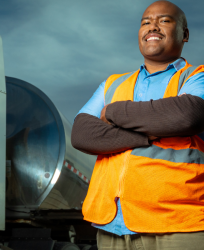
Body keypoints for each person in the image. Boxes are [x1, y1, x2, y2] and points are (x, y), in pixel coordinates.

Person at [71, 1, 204, 249]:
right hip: (112, 225)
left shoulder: (196, 76)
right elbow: (81, 134)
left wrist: (112, 112)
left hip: (178, 225)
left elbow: (187, 116)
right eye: (145, 22)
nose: (152, 26)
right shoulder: (113, 83)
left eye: (164, 20)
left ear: (184, 34)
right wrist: (149, 135)